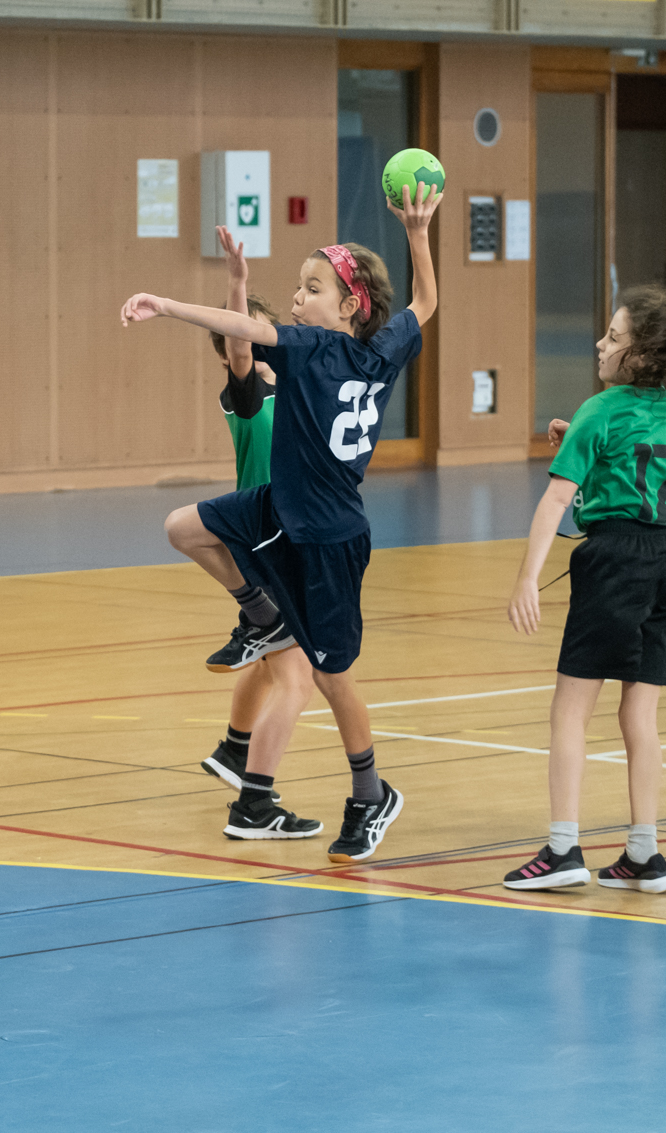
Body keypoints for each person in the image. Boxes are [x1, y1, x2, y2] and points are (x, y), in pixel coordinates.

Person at [122, 183, 442, 861]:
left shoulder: (310, 348)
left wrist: (168, 305)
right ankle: (259, 616)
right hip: (278, 507)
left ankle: (370, 793)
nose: (298, 299)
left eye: (312, 288)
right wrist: (417, 233)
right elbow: (425, 302)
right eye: (298, 287)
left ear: (351, 305)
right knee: (183, 526)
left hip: (328, 534)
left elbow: (243, 331)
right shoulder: (382, 351)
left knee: (331, 676)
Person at [503, 285, 666, 893]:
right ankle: (644, 853)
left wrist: (527, 577)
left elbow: (557, 500)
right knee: (639, 714)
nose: (600, 343)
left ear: (643, 356)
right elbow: (630, 458)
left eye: (614, 337)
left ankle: (562, 849)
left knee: (570, 711)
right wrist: (579, 436)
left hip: (616, 560)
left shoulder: (599, 410)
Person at [198, 227, 315, 807]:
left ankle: (232, 750)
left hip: (297, 537)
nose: (262, 343)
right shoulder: (246, 397)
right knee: (296, 676)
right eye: (247, 336)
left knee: (271, 661)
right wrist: (237, 281)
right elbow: (243, 349)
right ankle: (255, 797)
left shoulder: (295, 389)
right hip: (265, 540)